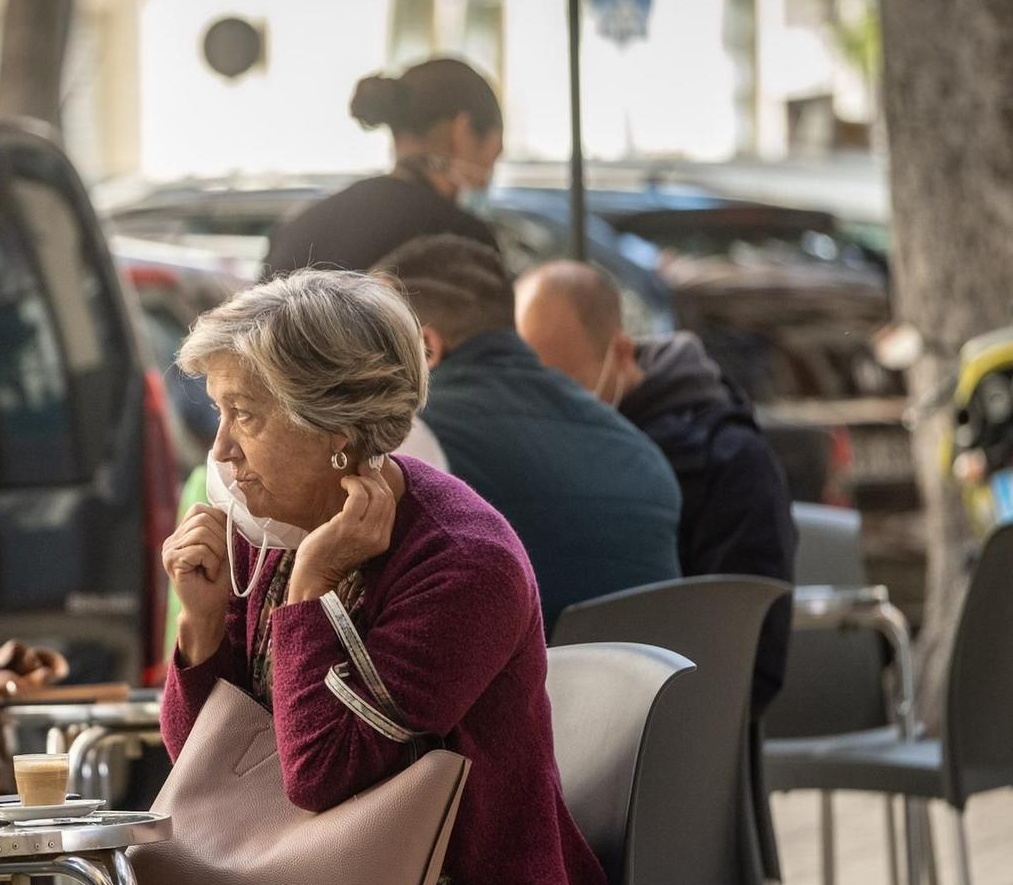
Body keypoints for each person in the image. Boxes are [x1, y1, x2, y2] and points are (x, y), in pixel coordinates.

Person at [45, 269, 605, 885]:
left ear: (338, 427)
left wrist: (307, 590)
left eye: (245, 418)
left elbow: (318, 778)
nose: (220, 452)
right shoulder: (270, 533)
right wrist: (204, 625)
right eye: (217, 414)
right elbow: (212, 772)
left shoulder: (461, 562)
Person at [377, 237, 692, 885]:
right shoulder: (635, 445)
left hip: (517, 822)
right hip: (671, 791)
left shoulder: (424, 445)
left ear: (423, 342)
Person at [516, 260, 797, 711]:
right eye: (531, 390)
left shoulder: (729, 457)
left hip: (681, 724)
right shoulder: (537, 455)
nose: (549, 409)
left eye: (564, 386)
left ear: (622, 354)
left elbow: (754, 654)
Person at [382, 236, 683, 630]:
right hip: (649, 687)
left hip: (520, 685)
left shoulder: (412, 438)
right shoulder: (640, 449)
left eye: (379, 346)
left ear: (426, 346)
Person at [262, 57, 502, 279]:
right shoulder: (463, 239)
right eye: (496, 151)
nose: (491, 171)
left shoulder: (301, 225)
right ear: (460, 132)